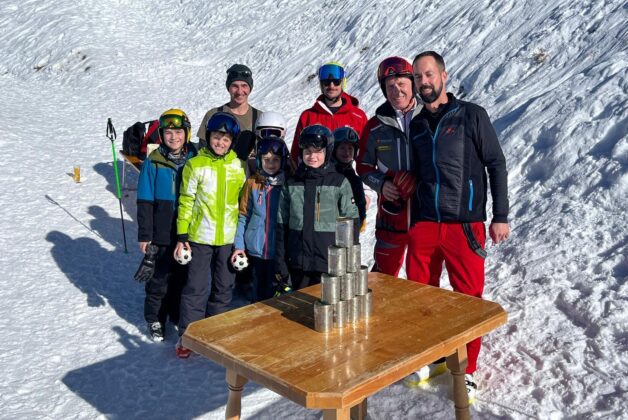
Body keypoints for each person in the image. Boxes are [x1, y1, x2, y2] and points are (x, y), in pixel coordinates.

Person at [405, 51, 510, 401]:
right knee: (421, 295)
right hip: (425, 224)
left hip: (464, 225)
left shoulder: (471, 115)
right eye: (418, 77)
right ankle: (434, 356)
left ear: (444, 76)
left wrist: (500, 215)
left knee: (468, 299)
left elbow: (496, 163)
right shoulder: (417, 125)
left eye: (429, 74)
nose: (424, 82)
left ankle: (467, 369)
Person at [174, 112, 247, 358]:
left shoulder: (238, 167)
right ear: (208, 137)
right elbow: (186, 200)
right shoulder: (195, 165)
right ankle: (189, 336)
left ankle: (215, 334)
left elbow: (242, 204)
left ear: (232, 142)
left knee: (224, 287)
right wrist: (182, 235)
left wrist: (240, 240)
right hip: (200, 237)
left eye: (226, 139)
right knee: (196, 286)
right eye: (217, 137)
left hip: (227, 238)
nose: (220, 142)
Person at [356, 56, 422, 276]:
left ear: (413, 84)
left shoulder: (429, 118)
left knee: (422, 278)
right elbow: (363, 166)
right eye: (390, 86)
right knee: (384, 275)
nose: (397, 91)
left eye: (402, 84)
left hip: (426, 212)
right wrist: (382, 184)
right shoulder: (375, 126)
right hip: (391, 214)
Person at [135, 109, 197, 342]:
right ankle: (155, 318)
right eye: (168, 133)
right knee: (158, 279)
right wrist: (145, 235)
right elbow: (144, 200)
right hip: (160, 232)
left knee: (181, 276)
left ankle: (175, 313)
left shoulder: (195, 157)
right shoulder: (153, 162)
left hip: (186, 232)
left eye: (178, 132)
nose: (174, 137)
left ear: (187, 133)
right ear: (161, 135)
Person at [276, 125, 359, 290]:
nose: (312, 156)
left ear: (327, 152)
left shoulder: (339, 183)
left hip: (329, 261)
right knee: (300, 302)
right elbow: (281, 225)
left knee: (329, 301)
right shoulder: (292, 184)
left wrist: (348, 259)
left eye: (318, 152)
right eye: (307, 152)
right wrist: (281, 261)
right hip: (298, 261)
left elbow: (351, 222)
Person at [231, 136, 289, 302]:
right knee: (258, 291)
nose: (271, 164)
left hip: (277, 252)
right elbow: (243, 215)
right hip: (255, 250)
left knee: (275, 293)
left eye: (275, 159)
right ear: (259, 160)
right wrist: (239, 245)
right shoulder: (252, 183)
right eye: (266, 159)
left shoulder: (287, 185)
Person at [289, 62, 368, 165]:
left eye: (336, 82)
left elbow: (367, 153)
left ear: (343, 83)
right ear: (321, 85)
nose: (331, 86)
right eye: (326, 82)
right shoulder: (308, 116)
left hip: (347, 174)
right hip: (316, 174)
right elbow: (296, 154)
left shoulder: (358, 116)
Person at [197, 64, 262, 164]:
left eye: (244, 86)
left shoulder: (260, 117)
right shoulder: (214, 114)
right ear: (228, 88)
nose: (239, 91)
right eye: (235, 86)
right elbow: (202, 152)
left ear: (250, 88)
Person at [332, 126, 369, 227]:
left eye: (350, 148)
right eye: (342, 148)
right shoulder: (327, 175)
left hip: (347, 229)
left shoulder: (355, 180)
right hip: (327, 228)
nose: (347, 152)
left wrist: (361, 219)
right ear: (334, 149)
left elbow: (360, 205)